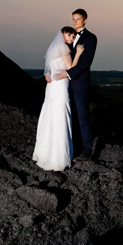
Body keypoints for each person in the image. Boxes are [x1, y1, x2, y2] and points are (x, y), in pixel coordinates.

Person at [33, 26, 84, 171]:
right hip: (60, 85)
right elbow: (71, 68)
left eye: (73, 37)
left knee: (50, 116)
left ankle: (45, 154)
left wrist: (47, 74)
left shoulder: (52, 49)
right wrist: (78, 54)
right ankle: (58, 158)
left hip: (51, 86)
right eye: (69, 35)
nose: (71, 39)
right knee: (61, 116)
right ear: (62, 35)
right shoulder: (64, 49)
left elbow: (48, 69)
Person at [56, 9, 97, 161]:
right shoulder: (68, 37)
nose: (75, 22)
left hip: (80, 83)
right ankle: (72, 147)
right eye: (73, 19)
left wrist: (68, 74)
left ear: (85, 20)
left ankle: (87, 150)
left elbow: (86, 63)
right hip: (65, 84)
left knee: (83, 116)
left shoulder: (91, 38)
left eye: (78, 19)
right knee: (69, 115)